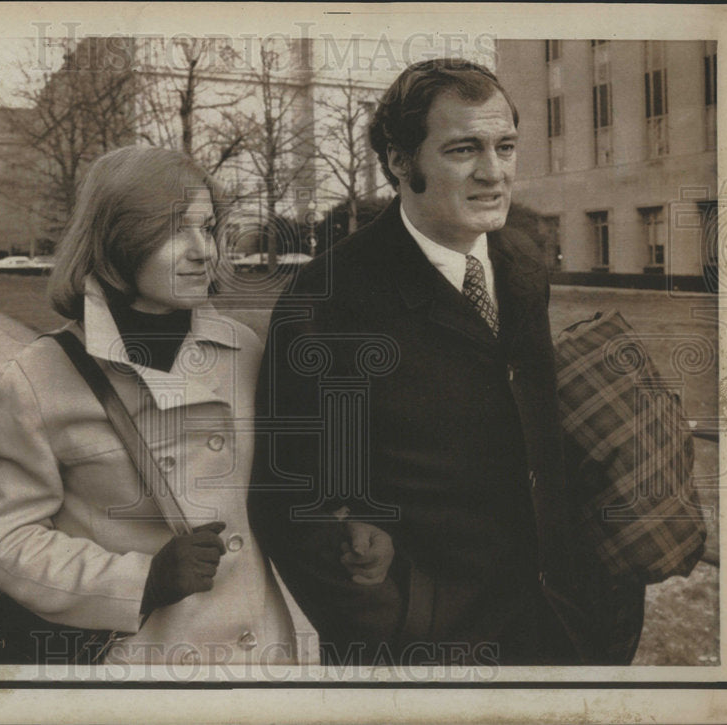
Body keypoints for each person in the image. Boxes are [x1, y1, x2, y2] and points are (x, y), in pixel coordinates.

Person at [248, 58, 590, 667]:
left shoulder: (520, 261)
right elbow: (291, 497)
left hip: (549, 624)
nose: (494, 173)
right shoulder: (331, 297)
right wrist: (398, 625)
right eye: (463, 150)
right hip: (424, 652)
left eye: (505, 147)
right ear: (400, 161)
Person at [0, 146, 317, 667]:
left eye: (209, 227)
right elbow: (3, 543)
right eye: (178, 230)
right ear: (118, 240)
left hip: (257, 661)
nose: (205, 251)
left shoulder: (246, 350)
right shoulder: (37, 378)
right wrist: (141, 580)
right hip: (136, 669)